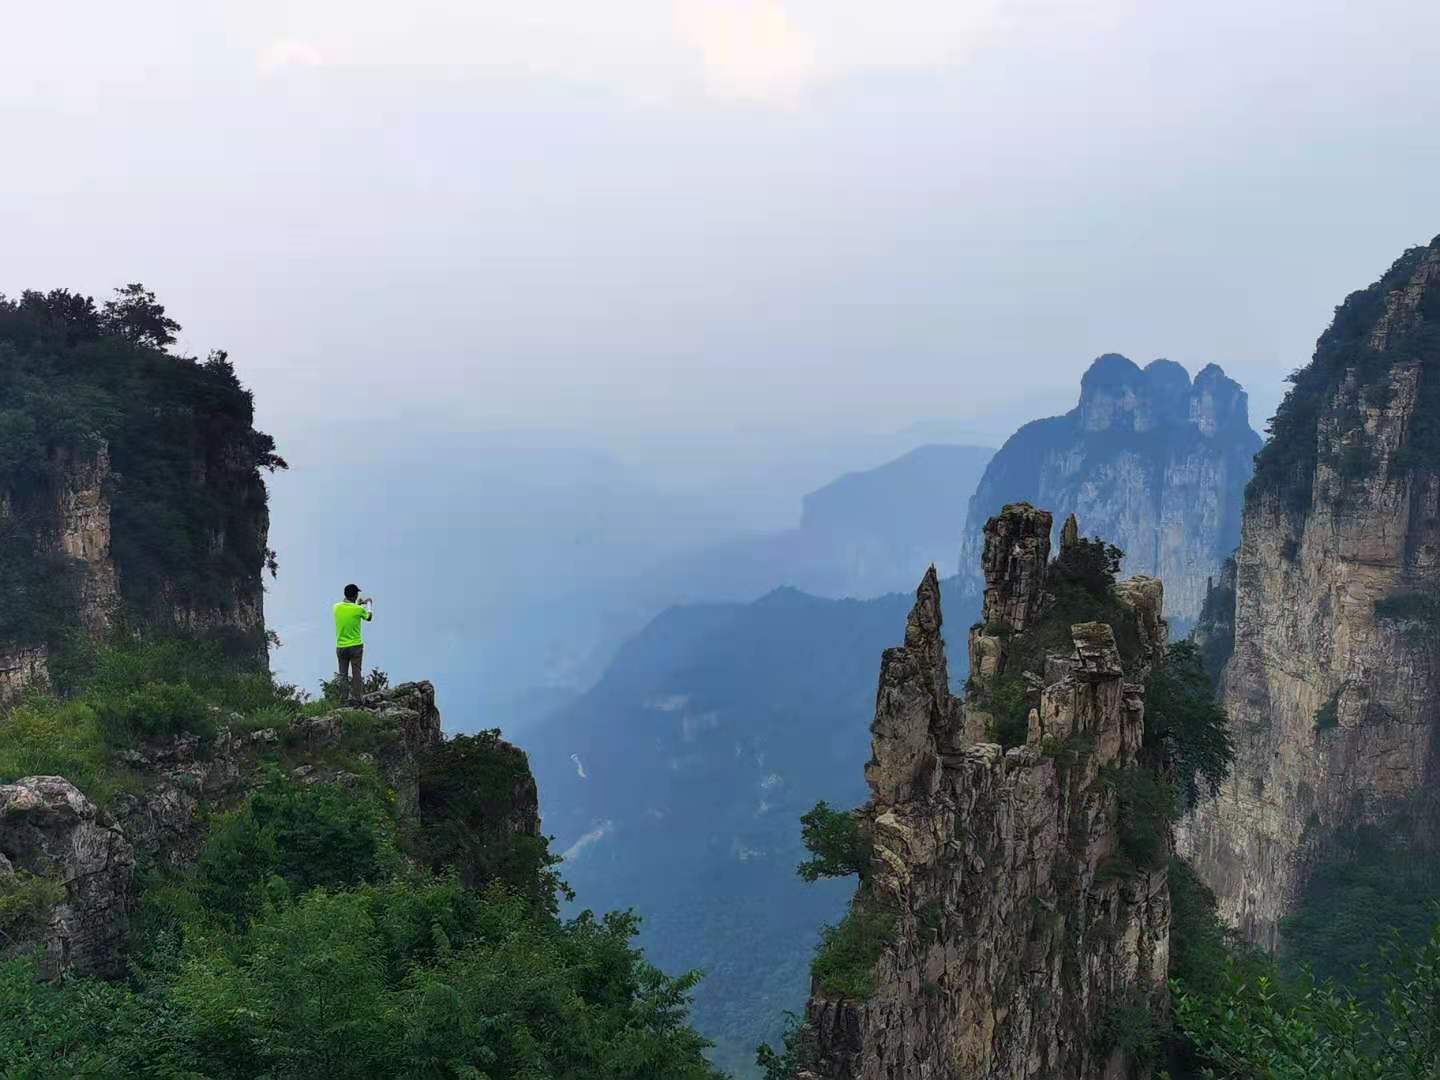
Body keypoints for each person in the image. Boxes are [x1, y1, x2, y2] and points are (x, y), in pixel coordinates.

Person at [333, 583, 374, 703]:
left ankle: (344, 699)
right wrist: (369, 604)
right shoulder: (359, 609)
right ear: (355, 595)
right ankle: (358, 699)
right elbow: (369, 617)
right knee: (356, 673)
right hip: (355, 646)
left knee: (343, 675)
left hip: (341, 646)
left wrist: (358, 604)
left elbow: (348, 608)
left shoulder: (336, 607)